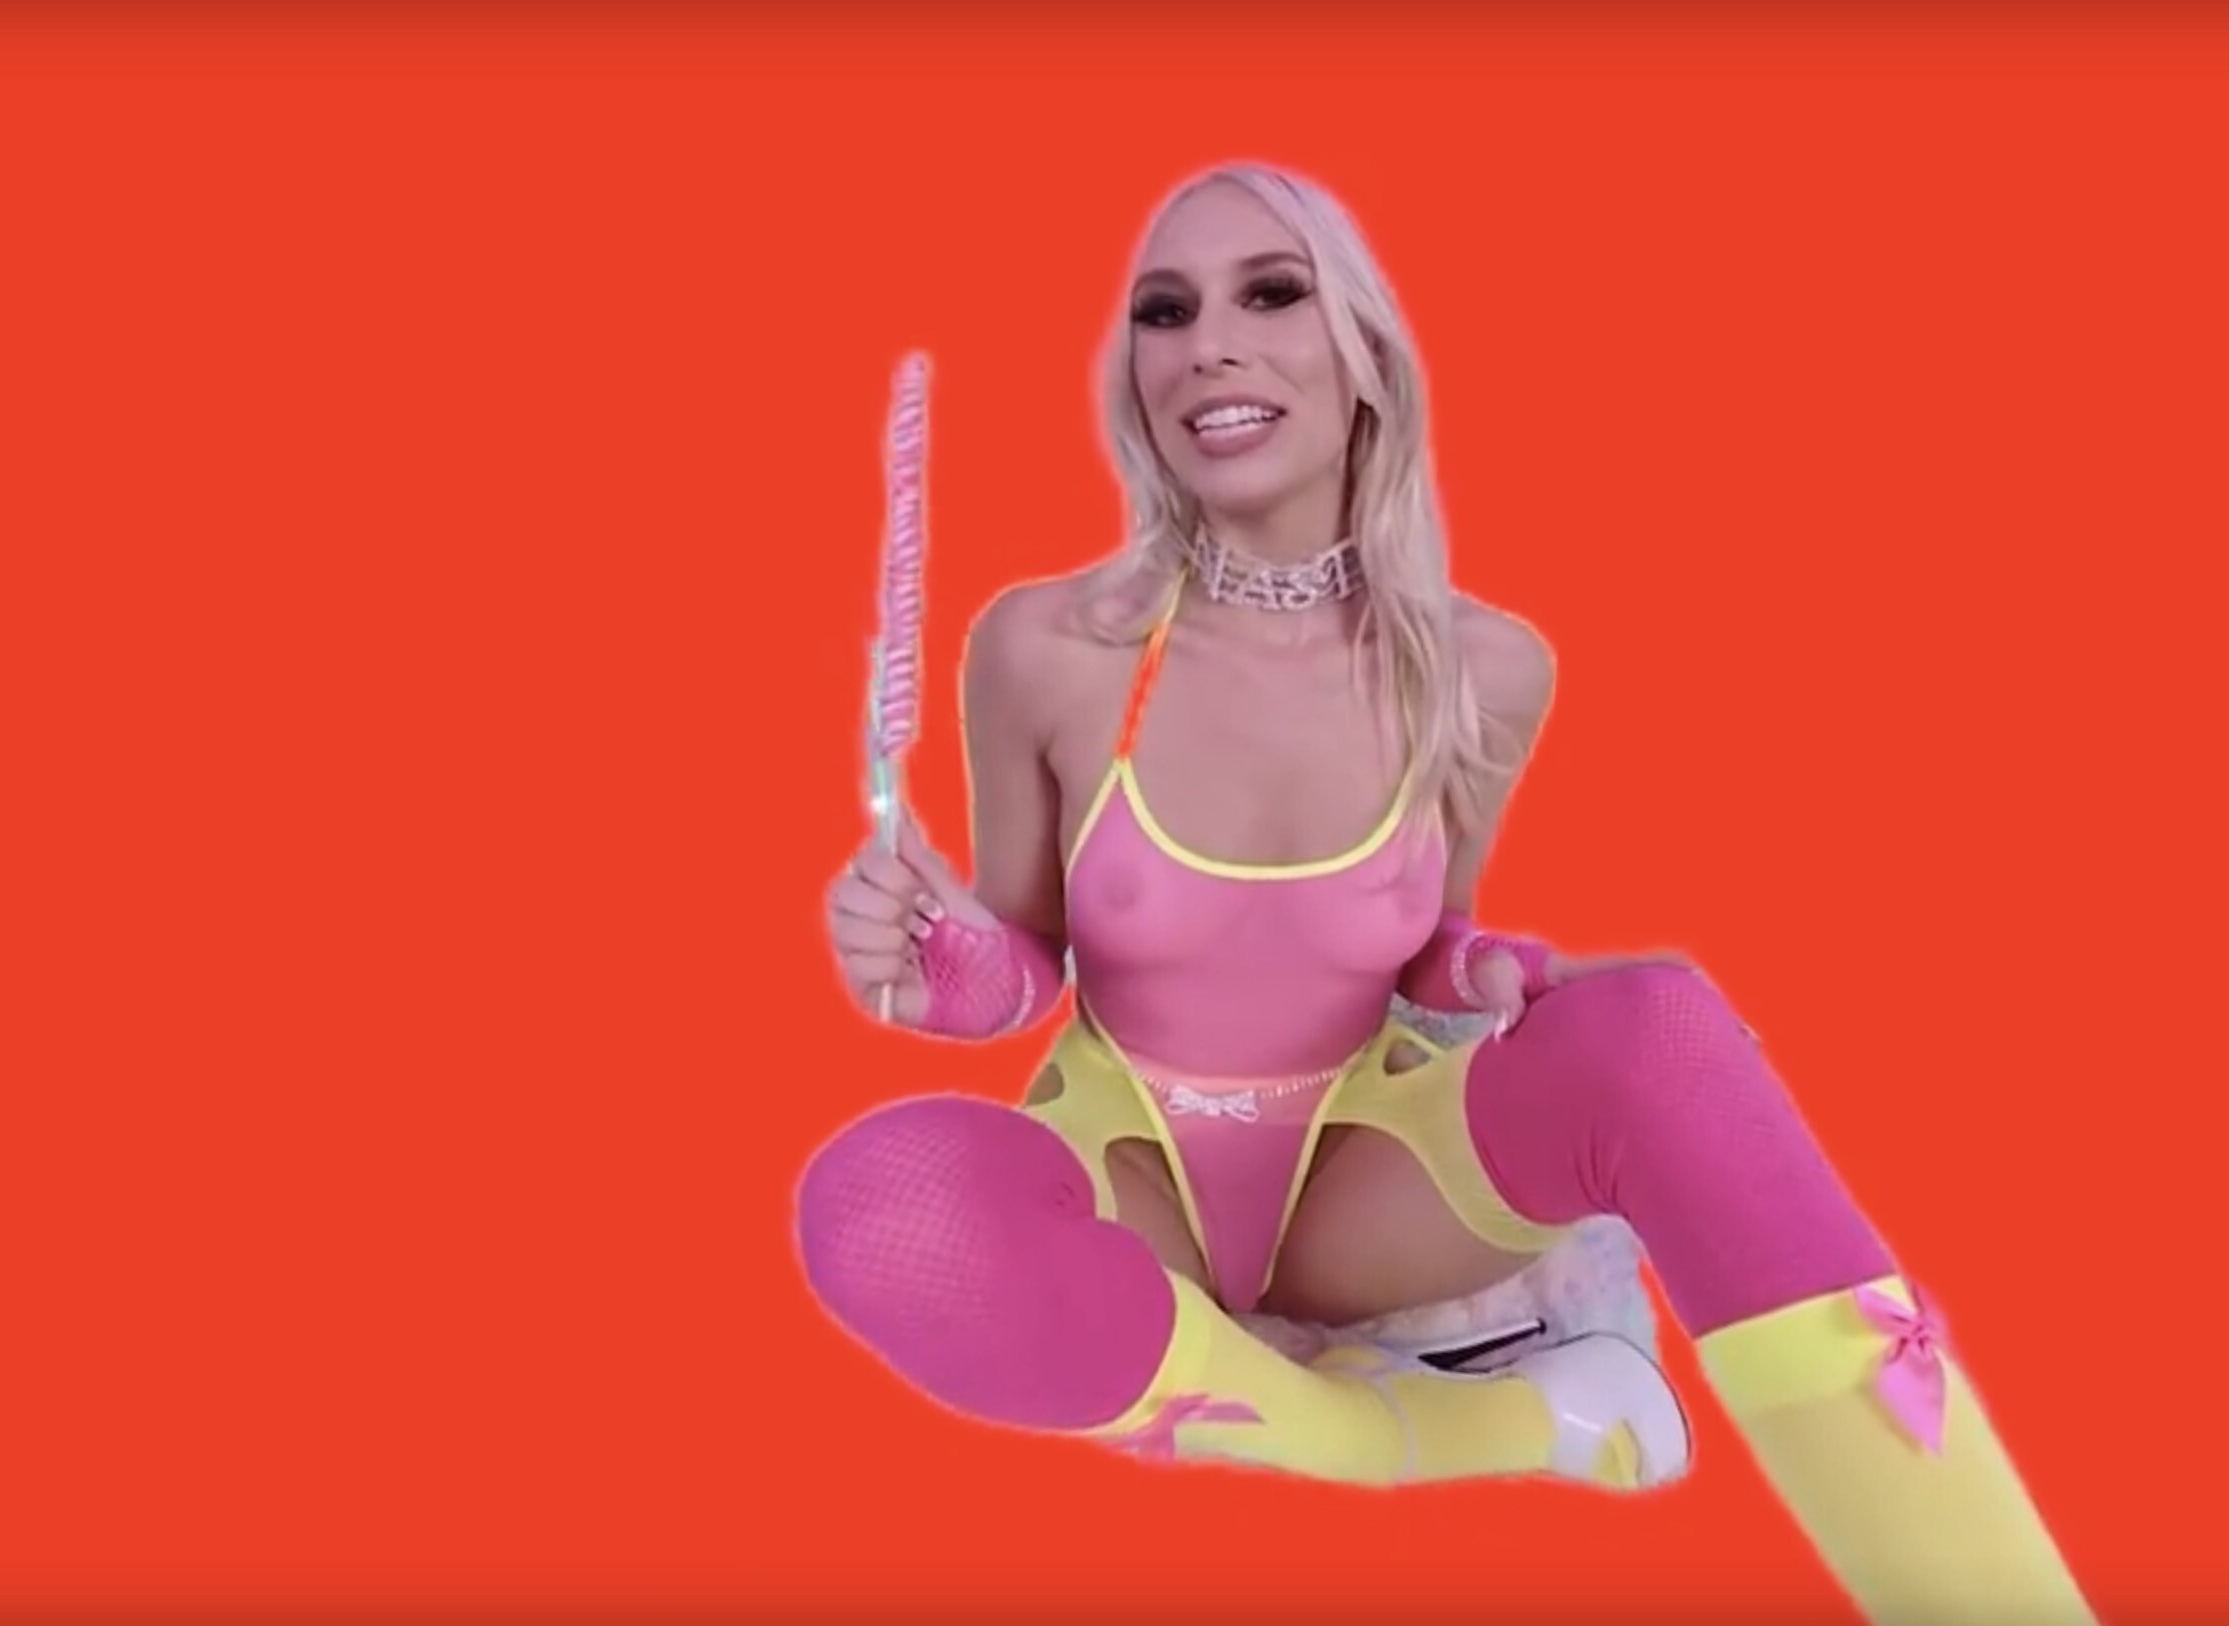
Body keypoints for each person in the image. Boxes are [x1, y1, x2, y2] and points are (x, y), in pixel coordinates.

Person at [798, 161, 2096, 1623]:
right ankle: (1464, 1425)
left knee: (1658, 1024)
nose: (1207, 344)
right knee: (883, 1206)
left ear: (1364, 353)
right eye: (1165, 311)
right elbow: (1026, 957)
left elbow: (1428, 946)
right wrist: (940, 960)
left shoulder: (1485, 670)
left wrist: (1485, 976)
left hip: (1370, 1179)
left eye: (1269, 294)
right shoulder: (1046, 647)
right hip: (1132, 1171)